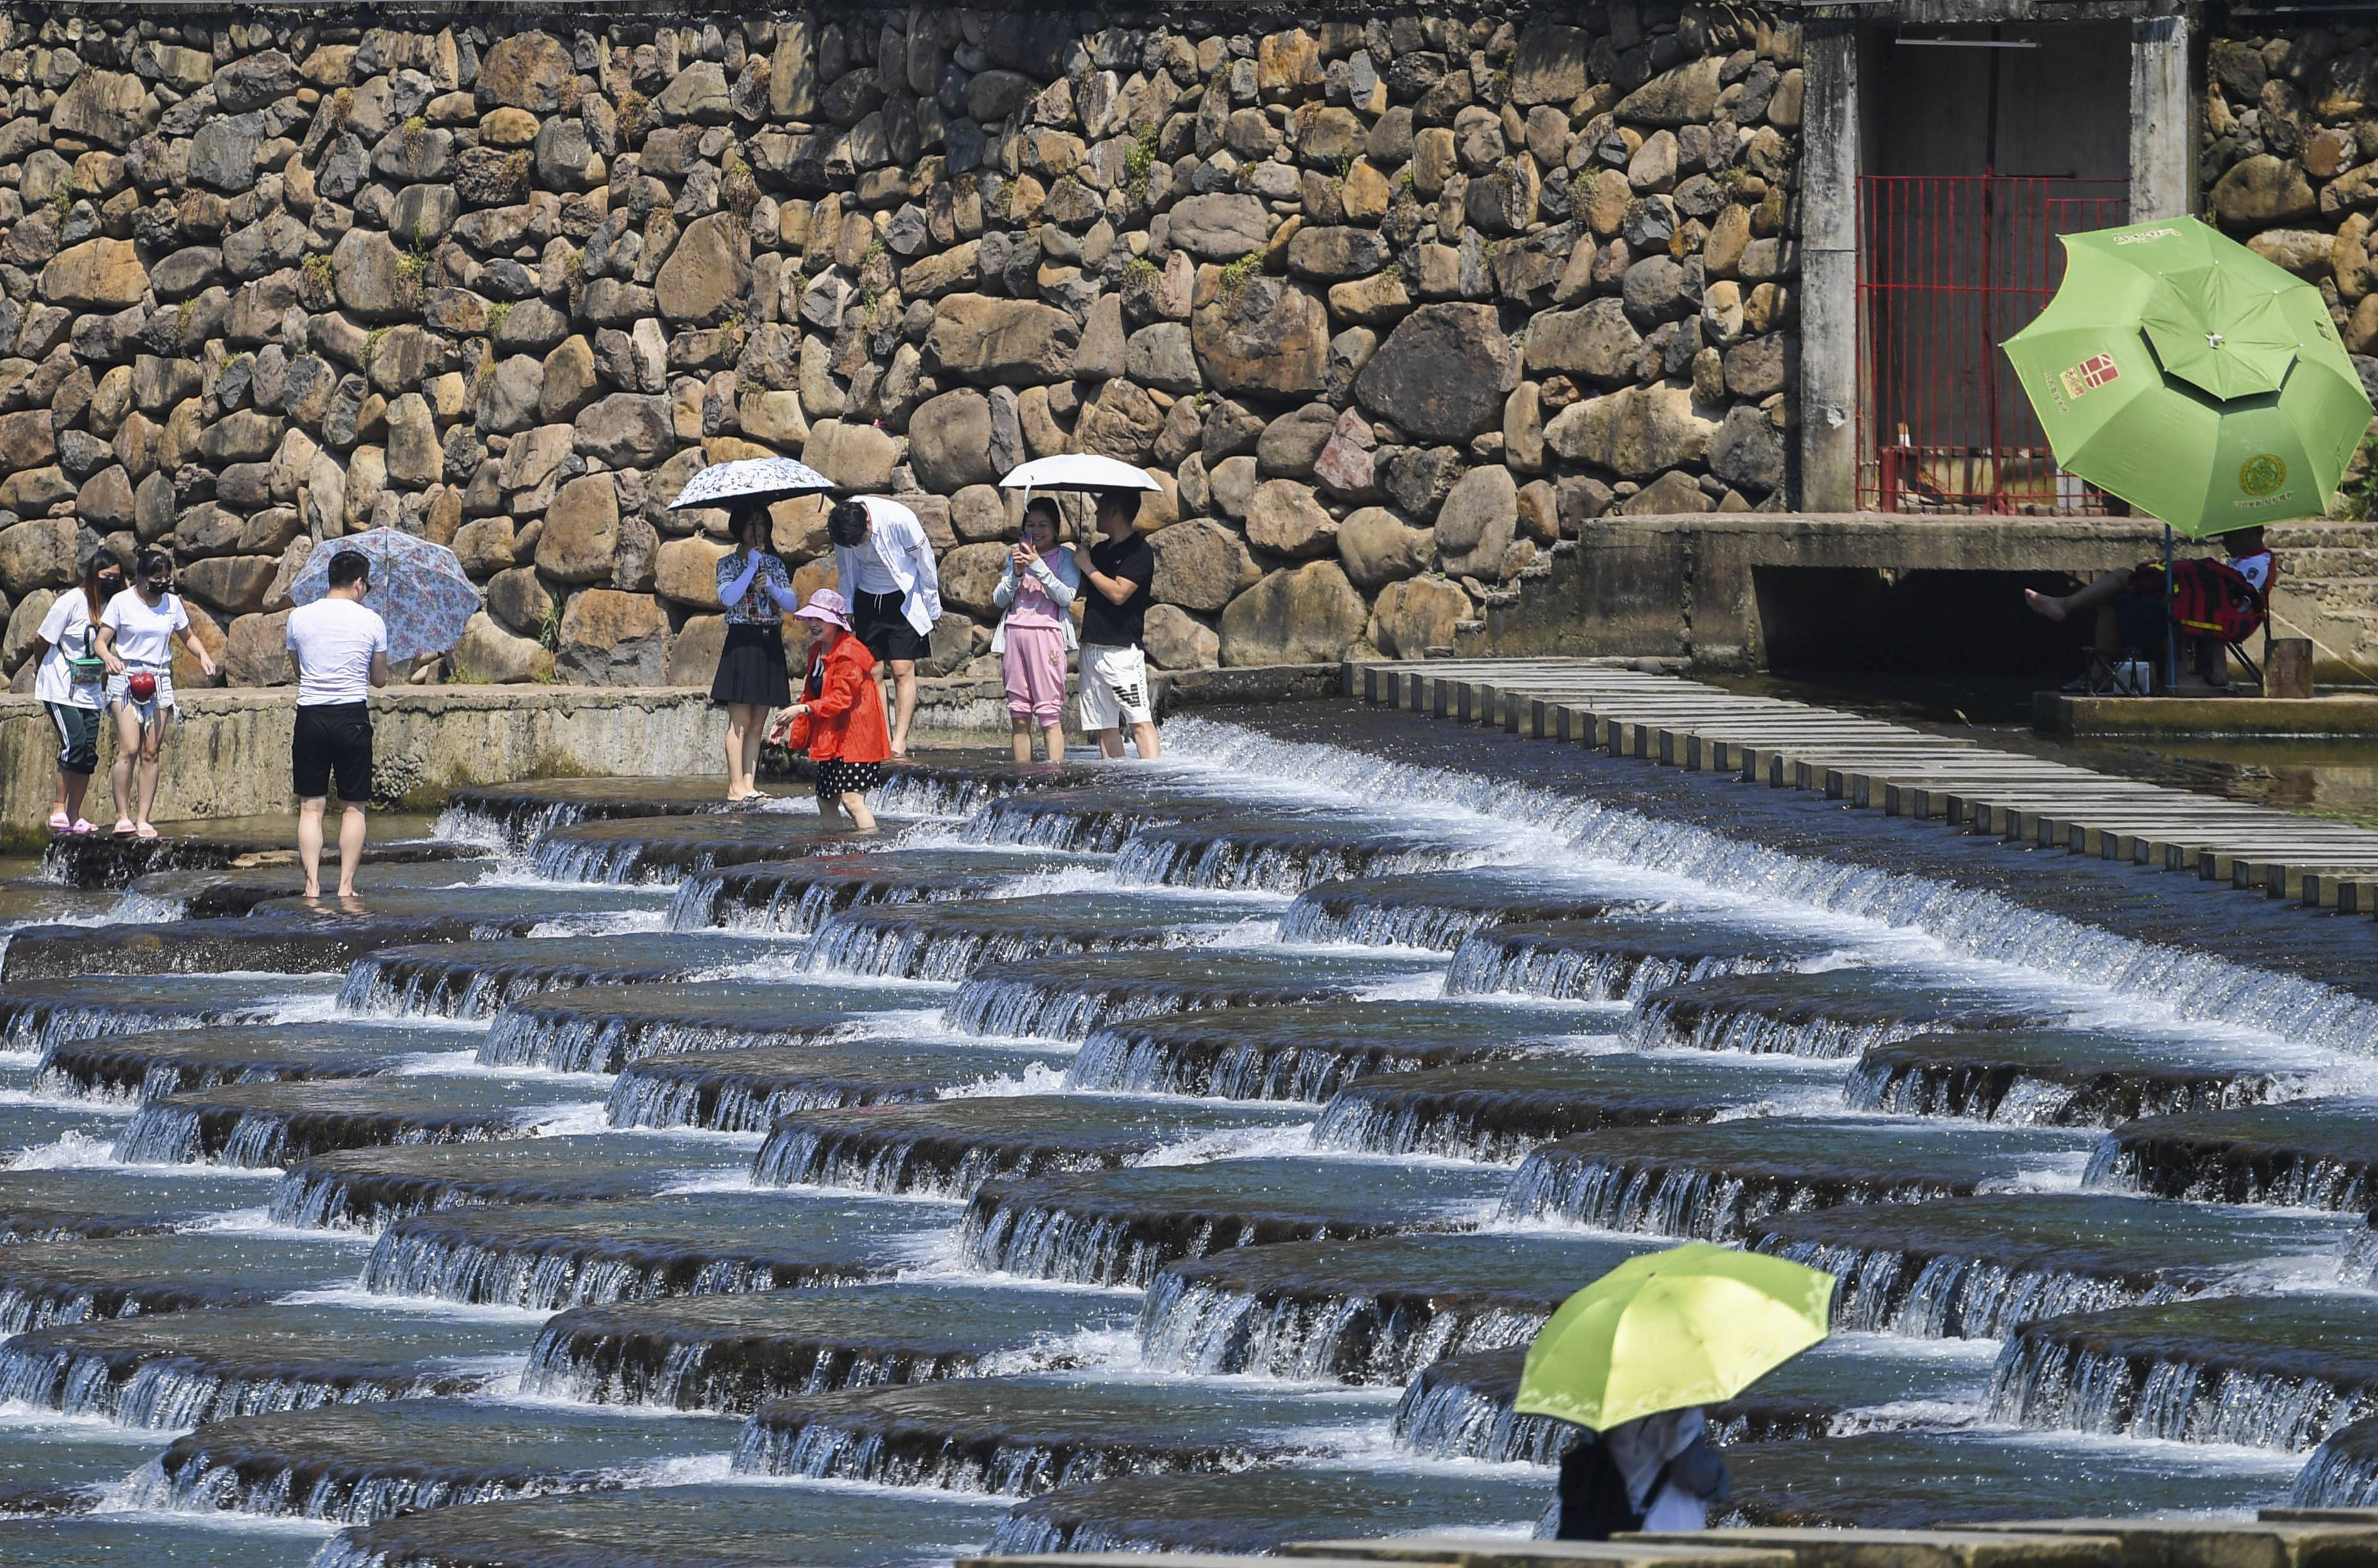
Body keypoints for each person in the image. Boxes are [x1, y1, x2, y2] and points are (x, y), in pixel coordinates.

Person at [2024, 526, 2274, 691]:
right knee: (2112, 602)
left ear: (2250, 535)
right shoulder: (2238, 560)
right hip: (2195, 611)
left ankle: (2065, 606)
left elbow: (2242, 600)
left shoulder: (2260, 563)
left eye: (2229, 537)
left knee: (2125, 577)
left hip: (2213, 617)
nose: (2224, 542)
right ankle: (2099, 673)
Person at [285, 548, 390, 899]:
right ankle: (346, 887)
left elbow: (300, 670)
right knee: (353, 806)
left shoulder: (298, 617)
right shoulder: (372, 621)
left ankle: (312, 885)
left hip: (311, 717)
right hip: (352, 719)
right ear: (360, 583)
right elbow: (379, 680)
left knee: (311, 807)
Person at [96, 547, 215, 838]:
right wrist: (108, 658)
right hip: (126, 676)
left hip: (159, 676)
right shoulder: (122, 602)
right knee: (130, 748)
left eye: (166, 577)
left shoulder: (172, 604)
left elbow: (188, 637)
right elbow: (102, 640)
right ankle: (121, 814)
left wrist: (203, 656)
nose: (162, 583)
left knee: (151, 751)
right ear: (141, 577)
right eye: (156, 577)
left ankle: (143, 817)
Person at [828, 495, 940, 759]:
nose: (855, 546)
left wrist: (933, 607)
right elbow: (846, 570)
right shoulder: (844, 527)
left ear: (868, 521)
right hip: (867, 596)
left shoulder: (899, 519)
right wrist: (849, 607)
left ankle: (899, 740)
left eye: (858, 540)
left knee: (902, 670)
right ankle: (882, 737)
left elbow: (926, 562)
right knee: (873, 671)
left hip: (903, 596)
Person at [772, 590, 890, 832]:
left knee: (852, 800)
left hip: (857, 739)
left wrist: (802, 709)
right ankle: (833, 852)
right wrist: (789, 718)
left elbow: (841, 699)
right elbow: (813, 691)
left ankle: (871, 850)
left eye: (820, 619)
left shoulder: (850, 653)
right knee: (825, 800)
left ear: (836, 623)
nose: (813, 624)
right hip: (834, 736)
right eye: (811, 619)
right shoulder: (818, 650)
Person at [711, 502, 801, 803]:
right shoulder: (727, 563)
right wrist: (750, 568)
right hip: (742, 641)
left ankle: (749, 786)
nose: (757, 529)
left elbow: (791, 604)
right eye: (751, 524)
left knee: (758, 722)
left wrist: (772, 587)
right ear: (739, 528)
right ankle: (735, 786)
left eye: (762, 523)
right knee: (739, 721)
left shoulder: (774, 564)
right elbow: (728, 597)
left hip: (768, 641)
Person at [32, 550, 123, 835]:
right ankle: (59, 807)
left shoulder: (111, 606)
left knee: (88, 753)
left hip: (91, 690)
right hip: (60, 687)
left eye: (116, 578)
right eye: (107, 577)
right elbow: (42, 639)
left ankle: (74, 814)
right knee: (74, 744)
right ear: (93, 574)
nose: (112, 582)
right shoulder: (70, 602)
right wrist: (42, 670)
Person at [1072, 488, 1160, 760]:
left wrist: (1087, 567)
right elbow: (1086, 588)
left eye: (1101, 508)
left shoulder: (1140, 552)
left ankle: (1155, 781)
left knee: (1139, 721)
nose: (1096, 513)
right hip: (1092, 648)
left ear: (1115, 511)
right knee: (1104, 725)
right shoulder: (1099, 551)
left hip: (1121, 652)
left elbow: (1120, 593)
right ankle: (1115, 781)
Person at [991, 497, 1080, 764]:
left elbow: (1066, 596)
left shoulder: (1065, 557)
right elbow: (999, 600)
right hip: (1014, 634)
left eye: (1044, 524)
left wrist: (1038, 566)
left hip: (1047, 636)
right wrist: (1017, 573)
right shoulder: (1016, 555)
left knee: (1049, 715)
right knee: (1019, 716)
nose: (1037, 531)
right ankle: (1023, 777)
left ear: (1055, 528)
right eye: (1031, 525)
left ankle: (1054, 780)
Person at [1555, 1407, 1730, 1540]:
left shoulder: (1604, 1407)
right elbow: (1695, 1472)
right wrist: (1721, 1481)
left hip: (1609, 1529)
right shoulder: (1679, 1411)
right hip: (1665, 1531)